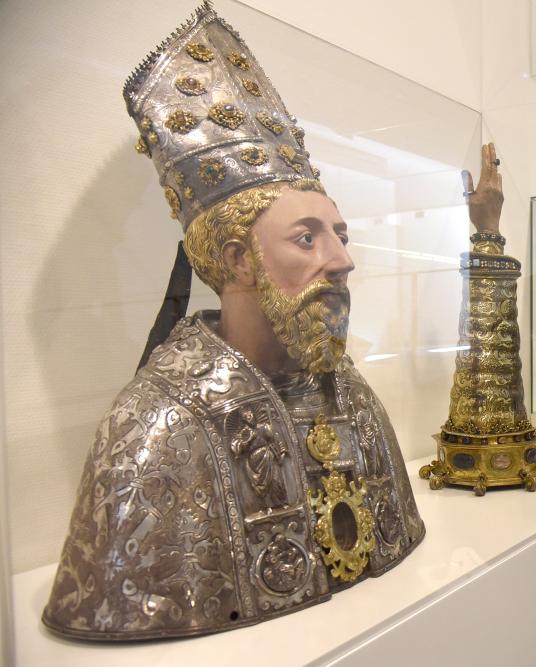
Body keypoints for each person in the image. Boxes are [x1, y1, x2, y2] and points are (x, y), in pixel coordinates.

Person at [43, 3, 428, 640]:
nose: (343, 260)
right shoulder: (152, 433)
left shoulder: (352, 395)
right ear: (236, 260)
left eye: (340, 235)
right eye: (307, 239)